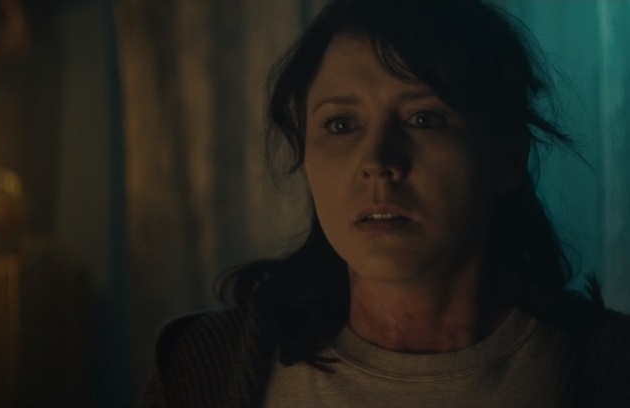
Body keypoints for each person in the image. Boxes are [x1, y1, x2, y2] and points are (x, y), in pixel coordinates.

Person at [137, 0, 630, 407]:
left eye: (423, 119)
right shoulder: (203, 367)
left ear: (507, 156)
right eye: (340, 125)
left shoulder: (610, 369)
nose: (377, 162)